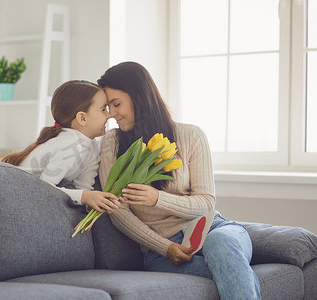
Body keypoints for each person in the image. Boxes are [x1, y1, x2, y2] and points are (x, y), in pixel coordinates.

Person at [97, 62, 261, 299]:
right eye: (107, 107)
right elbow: (118, 213)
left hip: (212, 229)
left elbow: (206, 203)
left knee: (221, 247)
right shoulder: (111, 144)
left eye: (116, 104)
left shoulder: (190, 136)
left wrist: (157, 199)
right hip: (162, 251)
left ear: (140, 97)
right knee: (231, 271)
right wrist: (165, 247)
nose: (111, 114)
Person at [2, 80, 121, 214]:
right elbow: (44, 190)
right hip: (17, 199)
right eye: (103, 109)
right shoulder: (69, 145)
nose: (109, 115)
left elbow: (83, 188)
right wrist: (85, 197)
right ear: (82, 118)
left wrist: (92, 202)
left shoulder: (92, 147)